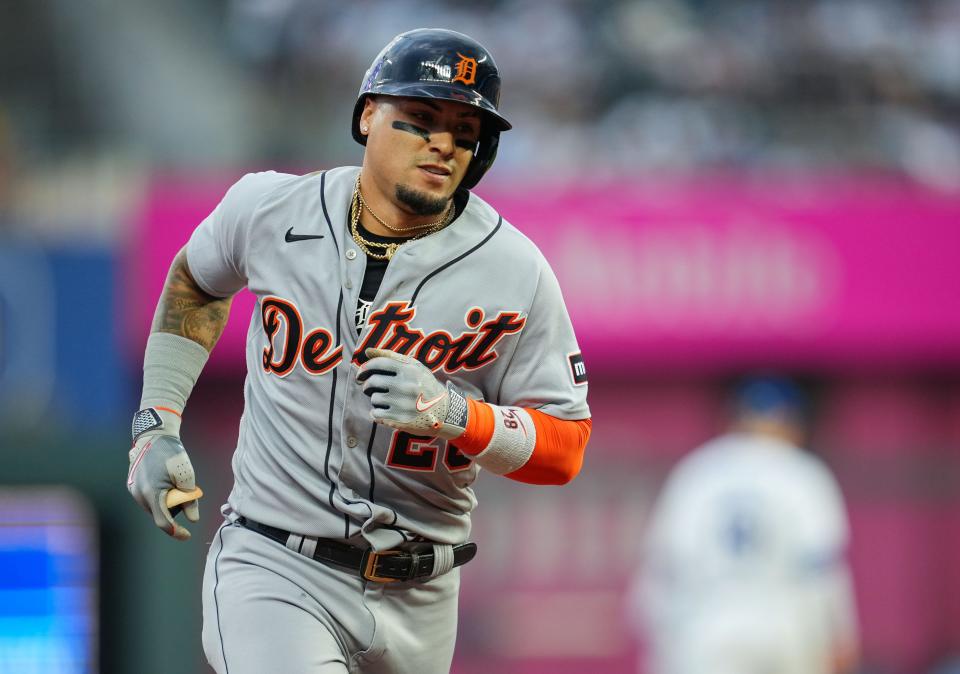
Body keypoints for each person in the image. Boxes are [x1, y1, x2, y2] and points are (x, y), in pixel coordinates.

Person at [125, 28, 591, 674]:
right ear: (368, 113)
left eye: (464, 131)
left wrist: (460, 416)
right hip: (276, 565)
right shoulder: (268, 208)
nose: (443, 144)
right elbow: (195, 283)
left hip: (425, 594)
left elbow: (565, 447)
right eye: (421, 119)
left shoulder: (516, 270)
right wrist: (157, 424)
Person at [628, 377, 859, 674]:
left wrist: (661, 646)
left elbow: (663, 571)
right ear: (792, 424)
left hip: (708, 624)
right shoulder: (802, 473)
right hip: (785, 623)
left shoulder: (697, 471)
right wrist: (841, 636)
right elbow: (821, 570)